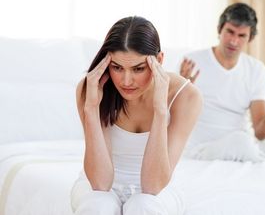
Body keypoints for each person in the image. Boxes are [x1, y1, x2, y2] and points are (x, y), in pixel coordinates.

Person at [70, 16, 202, 215]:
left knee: (143, 206)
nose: (126, 81)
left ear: (159, 60)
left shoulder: (186, 96)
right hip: (98, 186)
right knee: (98, 206)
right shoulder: (92, 89)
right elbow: (100, 182)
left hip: (160, 189)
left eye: (138, 69)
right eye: (117, 67)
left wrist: (159, 110)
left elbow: (153, 186)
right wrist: (91, 108)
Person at [180, 2, 265, 162]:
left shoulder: (256, 69)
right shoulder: (192, 62)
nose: (234, 41)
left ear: (250, 38)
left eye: (241, 36)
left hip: (243, 143)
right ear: (219, 29)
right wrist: (183, 90)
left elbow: (260, 134)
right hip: (201, 148)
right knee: (242, 143)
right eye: (230, 32)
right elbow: (174, 117)